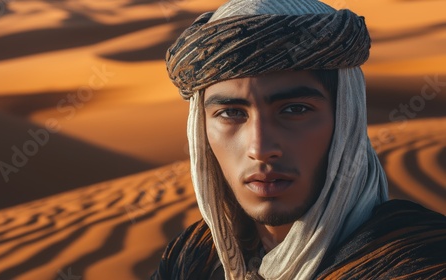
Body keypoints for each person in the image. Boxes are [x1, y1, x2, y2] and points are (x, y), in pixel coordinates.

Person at [151, 0, 446, 279]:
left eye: (295, 110)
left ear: (347, 119)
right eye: (230, 113)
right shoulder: (190, 261)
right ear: (200, 129)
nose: (260, 149)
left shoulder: (423, 262)